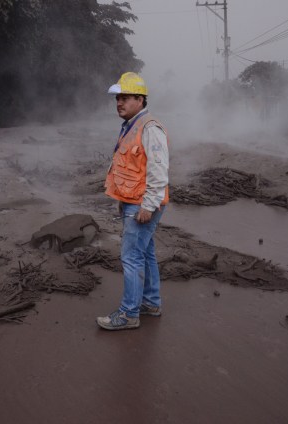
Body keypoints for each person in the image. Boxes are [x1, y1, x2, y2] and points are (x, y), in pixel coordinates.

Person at [96, 72, 170, 331]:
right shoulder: (131, 125)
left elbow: (159, 172)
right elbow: (131, 168)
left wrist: (148, 205)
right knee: (145, 253)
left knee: (131, 257)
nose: (119, 102)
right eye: (118, 98)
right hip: (134, 202)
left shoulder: (150, 129)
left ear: (140, 99)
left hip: (143, 204)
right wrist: (122, 199)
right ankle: (150, 302)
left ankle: (129, 313)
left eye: (125, 97)